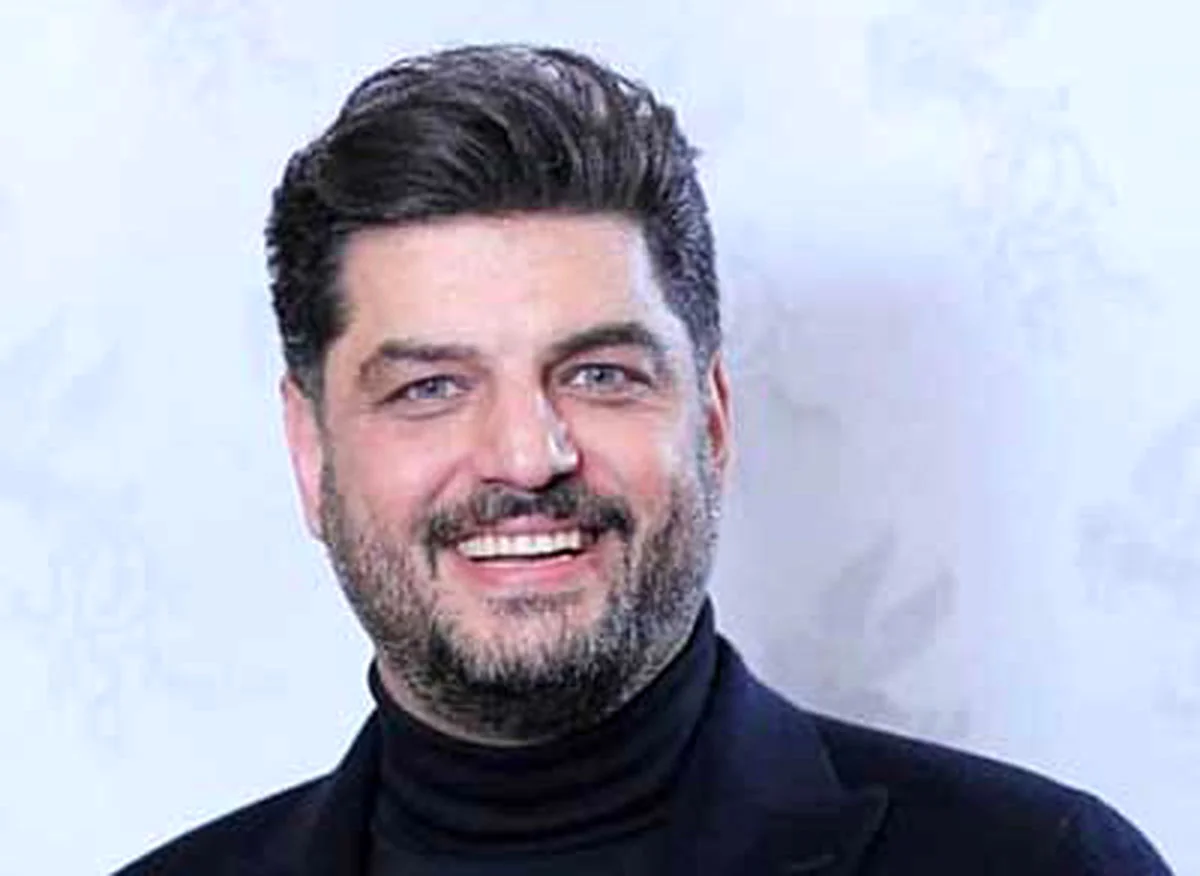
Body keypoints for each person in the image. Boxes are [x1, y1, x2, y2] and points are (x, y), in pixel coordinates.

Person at [115, 44, 1173, 875]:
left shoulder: (1043, 862)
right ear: (311, 452)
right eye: (429, 387)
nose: (527, 456)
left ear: (711, 420)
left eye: (600, 374)